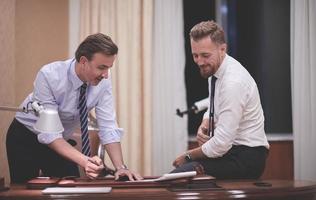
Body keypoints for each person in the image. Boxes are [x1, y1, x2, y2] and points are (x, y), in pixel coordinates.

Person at [6, 33, 142, 183]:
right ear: (83, 61)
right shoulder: (50, 75)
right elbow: (50, 134)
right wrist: (85, 161)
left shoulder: (103, 83)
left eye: (108, 68)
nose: (106, 75)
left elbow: (108, 126)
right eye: (102, 67)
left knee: (71, 188)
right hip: (26, 136)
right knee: (24, 191)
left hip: (61, 140)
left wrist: (121, 167)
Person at [172, 21, 269, 179]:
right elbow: (215, 103)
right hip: (231, 152)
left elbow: (221, 144)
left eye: (205, 55)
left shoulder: (233, 82)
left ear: (222, 49)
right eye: (195, 55)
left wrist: (188, 156)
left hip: (246, 158)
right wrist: (205, 122)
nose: (200, 62)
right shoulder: (215, 70)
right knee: (181, 177)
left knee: (179, 176)